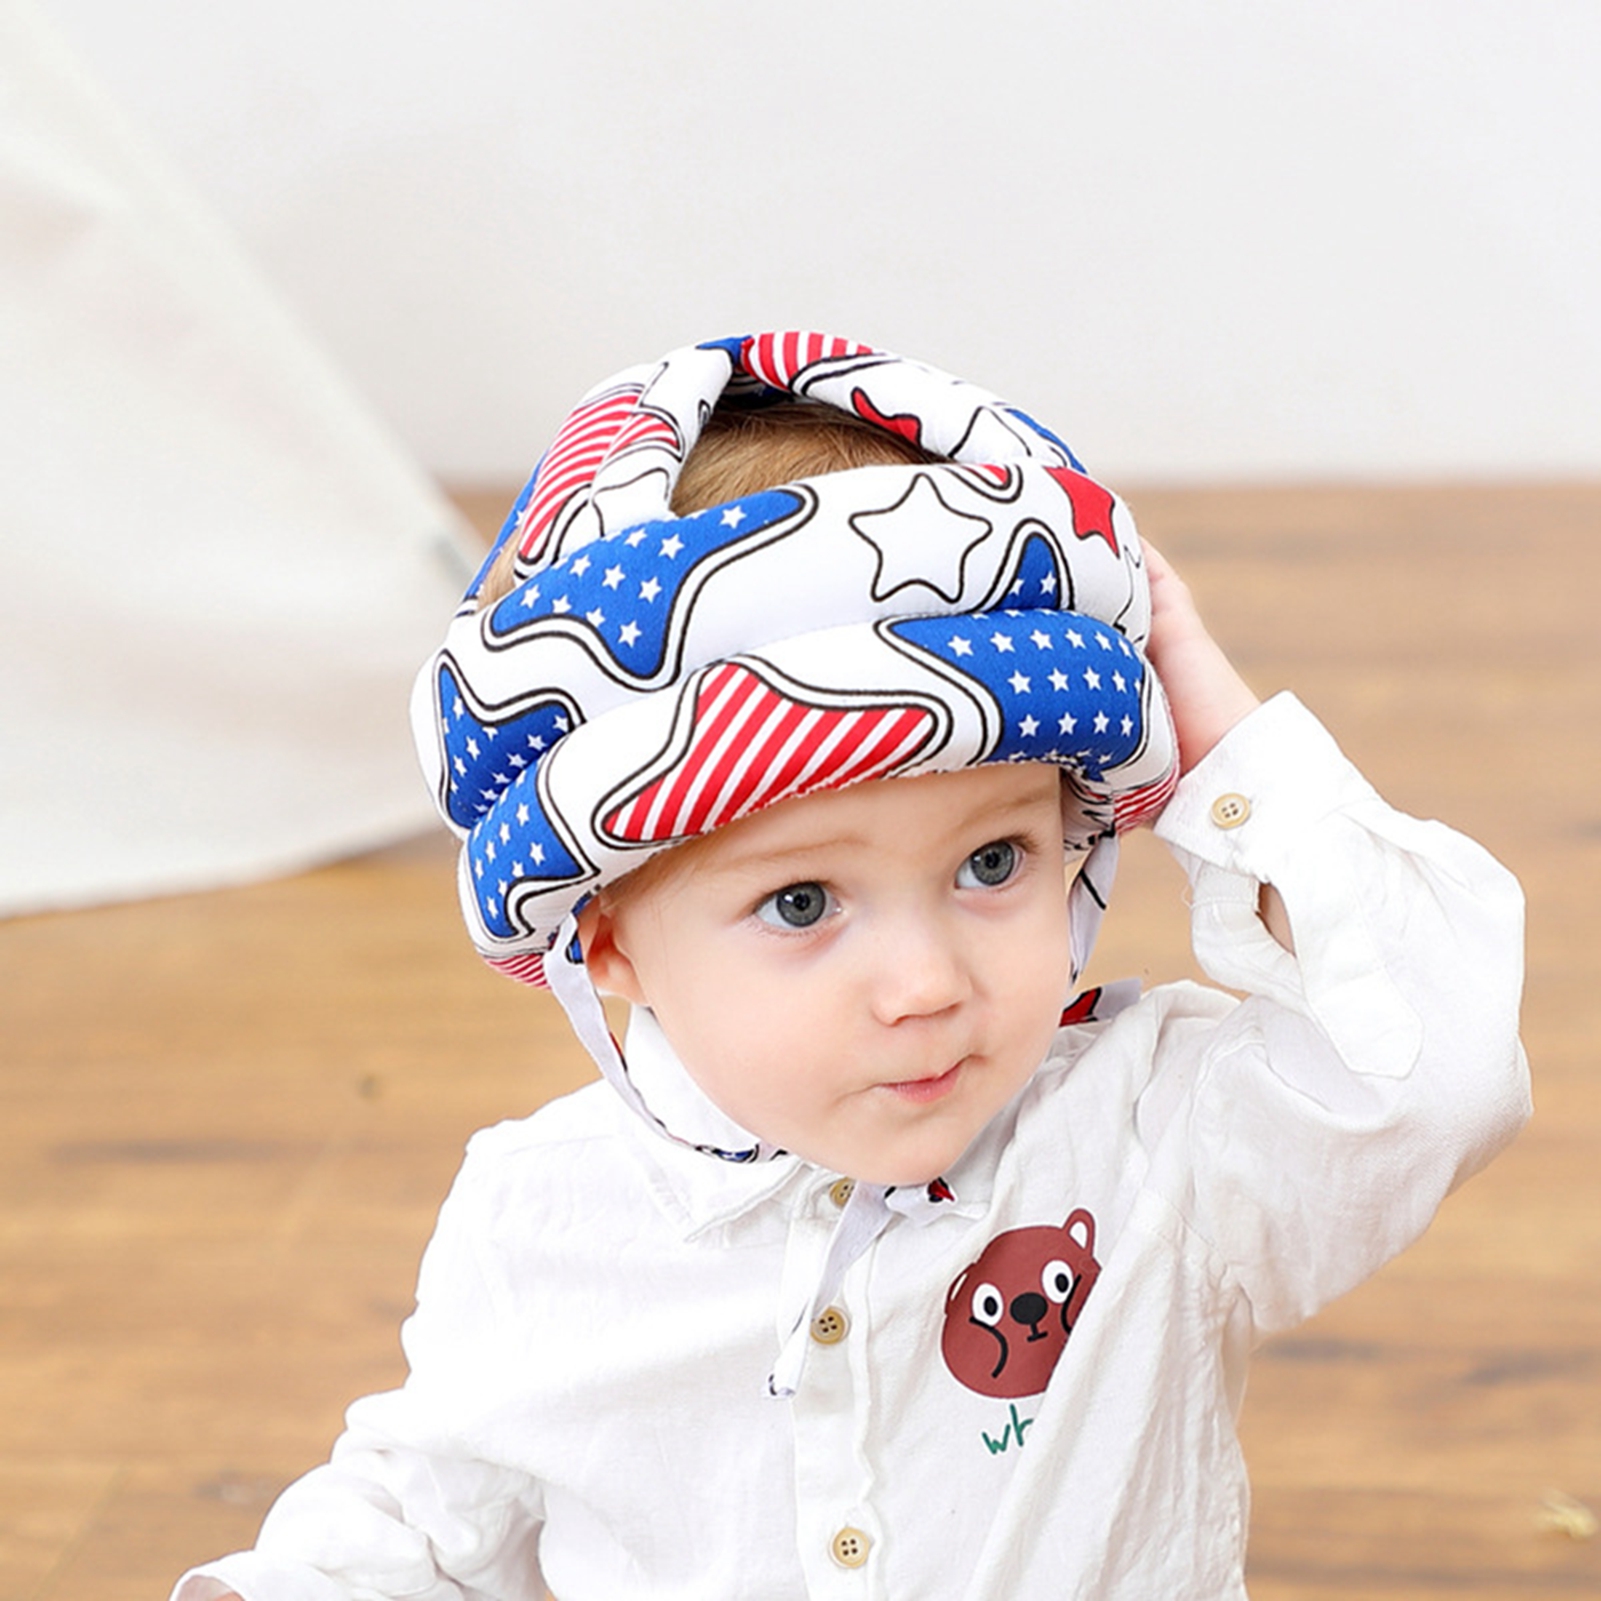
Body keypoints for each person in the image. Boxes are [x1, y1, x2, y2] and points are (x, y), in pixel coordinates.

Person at [174, 332, 1529, 1600]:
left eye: (991, 863)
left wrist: (1220, 748)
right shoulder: (542, 1219)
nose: (924, 980)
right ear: (606, 939)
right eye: (805, 898)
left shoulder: (1147, 1137)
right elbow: (426, 1508)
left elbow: (1434, 1073)